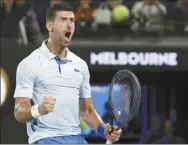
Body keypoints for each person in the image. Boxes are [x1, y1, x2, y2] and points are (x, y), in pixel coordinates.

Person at [13, 2, 121, 144]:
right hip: (45, 139)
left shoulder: (80, 65)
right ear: (49, 25)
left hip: (76, 138)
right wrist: (37, 110)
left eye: (72, 20)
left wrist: (103, 129)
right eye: (63, 20)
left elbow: (87, 111)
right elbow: (19, 112)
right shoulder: (29, 64)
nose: (69, 25)